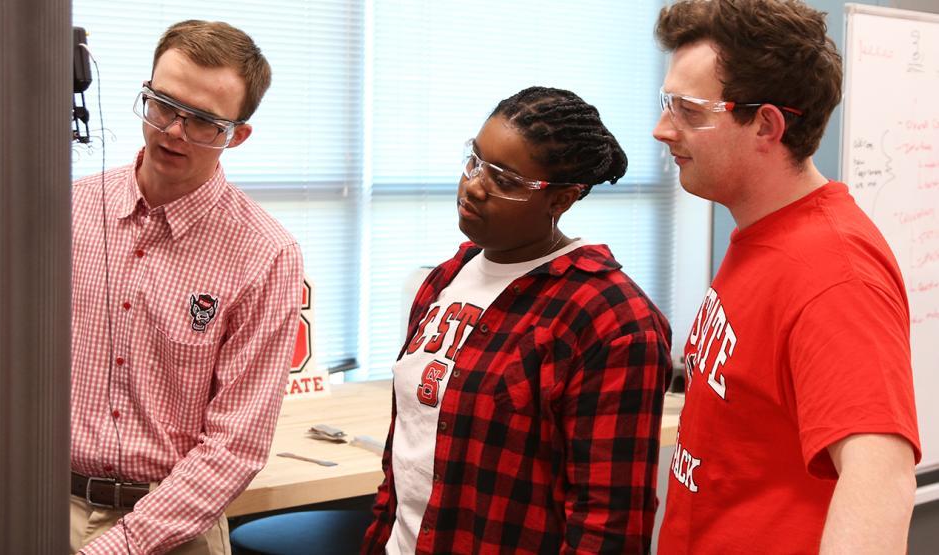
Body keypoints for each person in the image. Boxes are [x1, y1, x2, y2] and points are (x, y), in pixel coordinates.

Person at [652, 1, 921, 553]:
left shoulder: (833, 273)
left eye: (688, 110)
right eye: (666, 104)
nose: (662, 130)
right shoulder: (762, 235)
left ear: (766, 125)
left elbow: (882, 480)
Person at [361, 86, 674, 554]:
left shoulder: (613, 321)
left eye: (505, 180)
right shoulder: (446, 278)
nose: (474, 185)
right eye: (475, 160)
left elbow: (608, 525)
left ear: (562, 199)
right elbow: (409, 457)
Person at [69, 20, 303, 554]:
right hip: (45, 503)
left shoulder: (265, 254)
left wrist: (119, 546)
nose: (173, 131)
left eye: (201, 120)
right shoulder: (71, 211)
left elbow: (235, 446)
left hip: (170, 531)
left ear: (236, 135)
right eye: (163, 104)